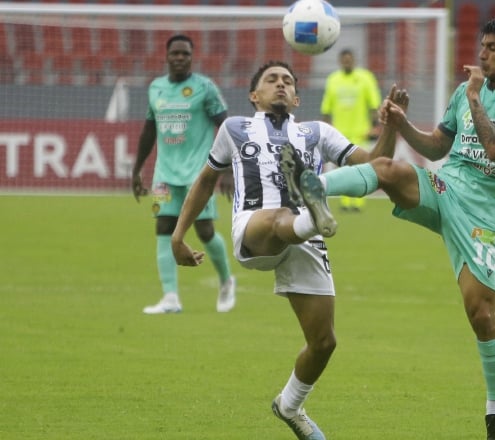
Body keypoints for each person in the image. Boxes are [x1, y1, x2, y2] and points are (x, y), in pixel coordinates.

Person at [291, 17, 495, 440]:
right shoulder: (465, 95)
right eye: (482, 45)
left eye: (493, 47)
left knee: (482, 316)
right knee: (390, 168)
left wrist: (476, 98)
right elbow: (437, 146)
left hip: (483, 213)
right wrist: (400, 123)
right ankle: (314, 186)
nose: (482, 54)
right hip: (445, 188)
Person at [170, 60, 407, 440]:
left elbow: (378, 166)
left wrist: (392, 125)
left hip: (305, 243)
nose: (280, 84)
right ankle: (313, 213)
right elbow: (205, 180)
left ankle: (289, 405)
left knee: (324, 342)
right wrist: (178, 235)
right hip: (255, 228)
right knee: (282, 213)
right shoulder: (234, 127)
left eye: (288, 81)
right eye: (271, 80)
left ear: (297, 97)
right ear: (254, 95)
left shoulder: (317, 132)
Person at [131, 34, 236, 315]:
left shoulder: (205, 88)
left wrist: (225, 168)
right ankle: (170, 298)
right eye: (175, 53)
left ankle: (226, 280)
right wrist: (137, 168)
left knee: (205, 231)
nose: (180, 58)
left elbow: (226, 128)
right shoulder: (156, 88)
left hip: (198, 174)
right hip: (164, 175)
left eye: (185, 54)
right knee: (163, 229)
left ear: (192, 57)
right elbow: (148, 130)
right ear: (166, 56)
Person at [320, 48, 382, 212]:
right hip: (339, 132)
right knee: (343, 169)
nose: (347, 62)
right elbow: (327, 107)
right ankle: (346, 203)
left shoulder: (365, 78)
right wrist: (326, 127)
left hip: (360, 130)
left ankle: (358, 202)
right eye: (344, 60)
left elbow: (373, 104)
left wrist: (376, 126)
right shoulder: (333, 79)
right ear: (340, 61)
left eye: (350, 59)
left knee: (359, 167)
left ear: (354, 60)